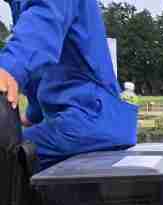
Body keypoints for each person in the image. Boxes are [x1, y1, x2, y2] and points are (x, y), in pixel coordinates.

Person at [0, 0, 137, 167]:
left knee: (7, 154)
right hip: (79, 120)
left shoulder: (45, 9)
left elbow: (41, 29)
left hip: (88, 118)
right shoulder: (22, 5)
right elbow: (39, 71)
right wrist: (32, 115)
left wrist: (8, 68)